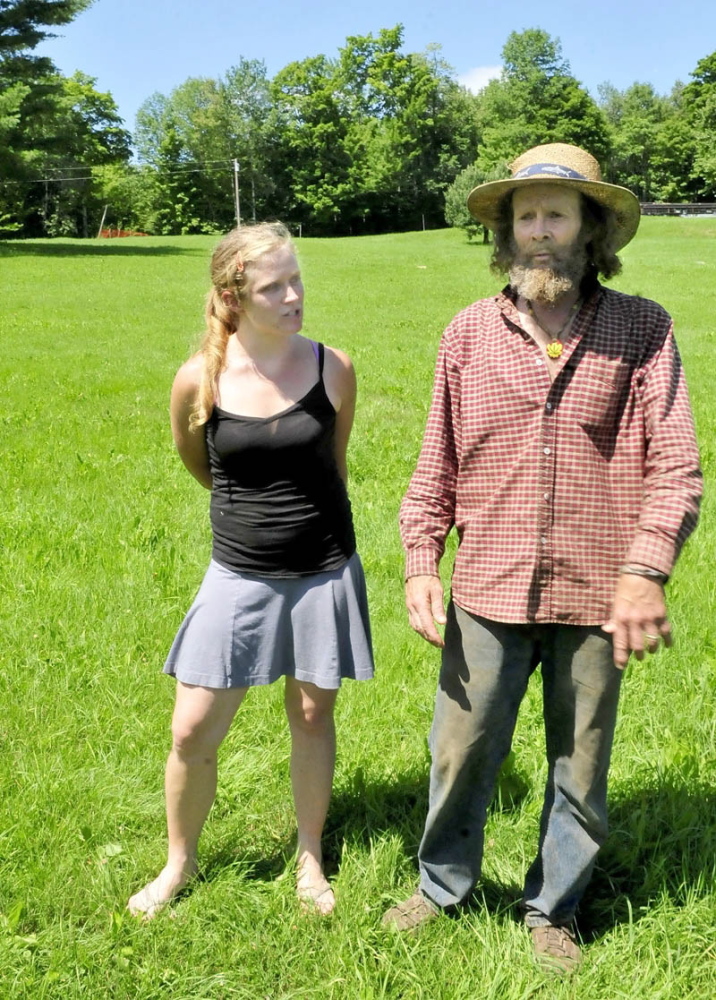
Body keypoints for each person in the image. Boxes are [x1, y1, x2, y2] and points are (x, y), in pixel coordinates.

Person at [382, 144, 702, 971]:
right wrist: (421, 559)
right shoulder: (467, 334)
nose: (539, 231)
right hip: (487, 586)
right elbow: (436, 463)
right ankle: (442, 886)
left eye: (556, 214)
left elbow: (676, 465)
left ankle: (553, 908)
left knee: (581, 764)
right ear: (506, 233)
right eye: (525, 216)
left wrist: (645, 571)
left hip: (600, 591)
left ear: (590, 229)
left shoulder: (643, 329)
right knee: (459, 751)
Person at [128, 221, 373, 919]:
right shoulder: (197, 379)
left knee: (312, 714)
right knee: (190, 731)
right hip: (239, 574)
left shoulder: (333, 367)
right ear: (233, 298)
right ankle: (179, 864)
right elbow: (199, 463)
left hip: (324, 568)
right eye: (275, 287)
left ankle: (310, 855)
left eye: (297, 280)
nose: (294, 296)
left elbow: (333, 466)